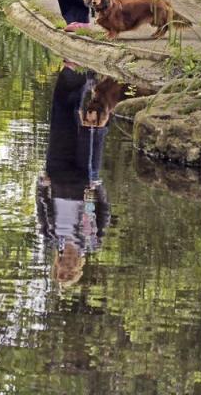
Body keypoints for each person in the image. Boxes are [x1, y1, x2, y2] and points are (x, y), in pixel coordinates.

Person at [37, 64, 123, 290]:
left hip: (57, 175)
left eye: (61, 271)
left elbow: (41, 208)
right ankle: (98, 79)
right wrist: (98, 189)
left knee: (62, 119)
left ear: (56, 265)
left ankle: (74, 72)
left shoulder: (51, 237)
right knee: (92, 123)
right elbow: (104, 211)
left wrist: (41, 185)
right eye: (69, 273)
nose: (66, 267)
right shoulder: (91, 242)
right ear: (77, 269)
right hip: (85, 183)